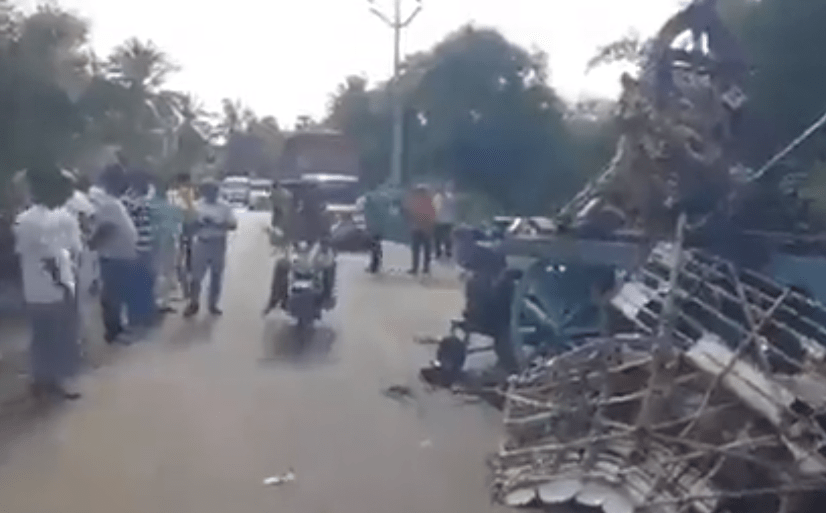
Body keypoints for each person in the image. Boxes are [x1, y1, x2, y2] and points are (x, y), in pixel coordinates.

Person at [14, 164, 82, 400]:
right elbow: (49, 258)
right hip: (51, 287)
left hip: (41, 286)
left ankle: (42, 380)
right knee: (54, 336)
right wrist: (63, 284)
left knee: (44, 336)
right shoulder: (35, 220)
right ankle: (50, 381)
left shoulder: (31, 219)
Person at [89, 164, 138, 344]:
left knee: (118, 294)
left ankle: (118, 327)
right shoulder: (106, 201)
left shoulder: (111, 200)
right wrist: (92, 245)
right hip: (113, 256)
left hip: (121, 255)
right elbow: (106, 228)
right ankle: (113, 332)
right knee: (112, 295)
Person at [184, 180, 237, 317]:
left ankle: (213, 304)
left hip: (218, 242)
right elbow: (188, 226)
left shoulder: (225, 207)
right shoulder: (197, 206)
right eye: (207, 191)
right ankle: (193, 303)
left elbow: (233, 225)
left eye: (213, 191)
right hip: (201, 242)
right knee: (196, 276)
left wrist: (217, 224)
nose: (210, 194)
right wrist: (199, 224)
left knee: (216, 275)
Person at [63, 172, 99, 352]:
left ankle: (77, 339)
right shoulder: (80, 200)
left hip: (79, 252)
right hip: (71, 253)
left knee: (79, 297)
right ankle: (75, 339)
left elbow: (90, 226)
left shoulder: (78, 201)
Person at [122, 170, 157, 329]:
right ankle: (137, 319)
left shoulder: (140, 200)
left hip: (145, 247)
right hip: (135, 249)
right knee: (137, 285)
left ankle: (144, 317)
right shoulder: (129, 201)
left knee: (145, 284)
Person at [148, 179, 182, 314]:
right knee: (166, 272)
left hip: (152, 242)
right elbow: (178, 225)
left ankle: (155, 301)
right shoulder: (171, 208)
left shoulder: (148, 205)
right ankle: (163, 301)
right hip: (167, 242)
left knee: (155, 272)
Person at [167, 172, 197, 299]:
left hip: (184, 228)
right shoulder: (176, 194)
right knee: (183, 262)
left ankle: (186, 290)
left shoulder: (185, 194)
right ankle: (186, 289)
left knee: (182, 262)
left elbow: (190, 211)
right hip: (184, 228)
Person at [404, 184, 436, 275]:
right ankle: (425, 267)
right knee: (425, 249)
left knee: (417, 249)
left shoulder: (415, 201)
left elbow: (408, 213)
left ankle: (416, 268)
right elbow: (432, 214)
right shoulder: (428, 201)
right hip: (423, 228)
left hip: (418, 228)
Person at [433, 182, 457, 260]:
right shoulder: (451, 196)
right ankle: (447, 252)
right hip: (447, 220)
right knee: (446, 237)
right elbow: (453, 208)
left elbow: (434, 207)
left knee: (438, 238)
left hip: (440, 220)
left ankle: (439, 252)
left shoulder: (438, 197)